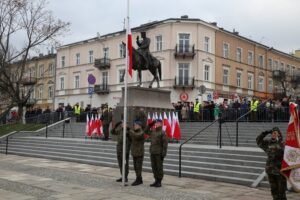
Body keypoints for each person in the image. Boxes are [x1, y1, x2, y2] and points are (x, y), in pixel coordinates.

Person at [256, 127, 286, 200]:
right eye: (272, 133)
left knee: (281, 191)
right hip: (270, 171)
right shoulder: (268, 143)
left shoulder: (283, 144)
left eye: (275, 133)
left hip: (280, 172)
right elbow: (258, 140)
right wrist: (266, 132)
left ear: (279, 134)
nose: (273, 134)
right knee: (273, 191)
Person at [145, 119, 168, 187]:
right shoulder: (153, 131)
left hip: (159, 153)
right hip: (152, 152)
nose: (156, 124)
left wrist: (163, 153)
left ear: (161, 124)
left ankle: (159, 181)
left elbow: (165, 144)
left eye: (158, 123)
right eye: (156, 123)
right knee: (154, 167)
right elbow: (145, 131)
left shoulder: (162, 132)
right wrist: (150, 124)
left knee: (159, 167)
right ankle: (156, 180)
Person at [129, 120, 145, 186]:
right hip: (134, 152)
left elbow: (136, 136)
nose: (134, 126)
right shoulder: (134, 132)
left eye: (135, 125)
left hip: (139, 153)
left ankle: (138, 179)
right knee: (135, 167)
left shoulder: (141, 132)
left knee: (138, 167)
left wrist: (130, 130)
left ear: (139, 126)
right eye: (134, 125)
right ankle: (139, 179)